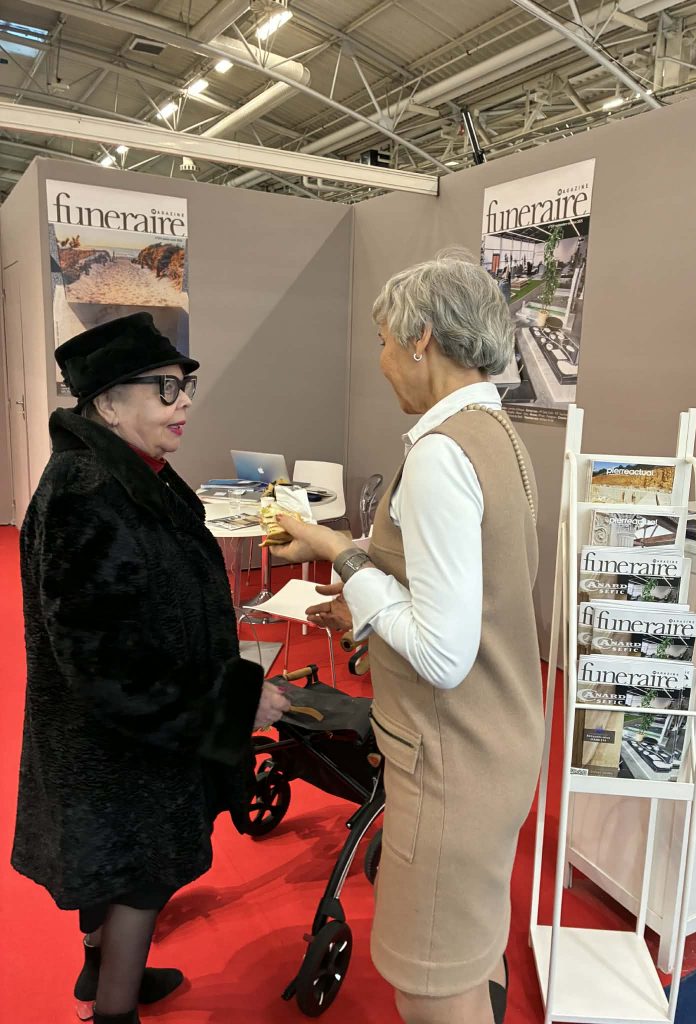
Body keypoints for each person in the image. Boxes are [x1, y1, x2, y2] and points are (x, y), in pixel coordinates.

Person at [271, 251, 544, 1024]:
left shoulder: (439, 454)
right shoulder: (496, 434)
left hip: (451, 758)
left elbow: (441, 655)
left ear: (423, 337)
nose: (383, 360)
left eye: (386, 341)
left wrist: (342, 554)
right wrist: (364, 597)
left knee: (432, 983)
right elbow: (468, 596)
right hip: (498, 740)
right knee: (470, 949)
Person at [11, 312, 289, 1024]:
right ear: (108, 403)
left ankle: (102, 970)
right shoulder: (88, 493)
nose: (184, 401)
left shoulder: (126, 473)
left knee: (119, 866)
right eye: (165, 388)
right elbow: (104, 665)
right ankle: (113, 1009)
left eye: (185, 385)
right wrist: (233, 706)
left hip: (129, 734)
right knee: (139, 873)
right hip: (119, 742)